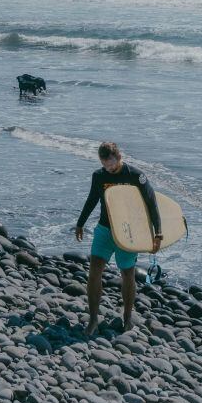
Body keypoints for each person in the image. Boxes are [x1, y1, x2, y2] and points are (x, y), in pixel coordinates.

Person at [74, 141, 162, 335]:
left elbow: (152, 204)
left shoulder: (136, 176)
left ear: (119, 157)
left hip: (128, 232)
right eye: (105, 164)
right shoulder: (99, 176)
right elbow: (92, 200)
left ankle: (128, 318)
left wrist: (158, 233)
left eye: (112, 164)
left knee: (127, 274)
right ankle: (93, 319)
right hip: (105, 230)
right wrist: (80, 223)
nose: (109, 168)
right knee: (94, 271)